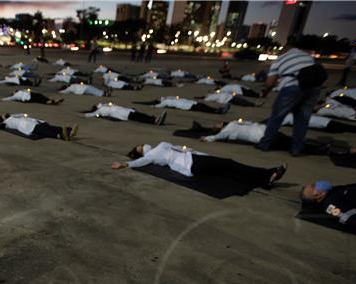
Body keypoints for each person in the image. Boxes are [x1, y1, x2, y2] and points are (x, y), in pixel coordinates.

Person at [111, 141, 287, 189]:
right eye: (138, 147)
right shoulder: (152, 154)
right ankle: (267, 174)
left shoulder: (158, 148)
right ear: (140, 151)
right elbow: (140, 162)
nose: (141, 144)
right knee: (230, 165)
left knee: (229, 172)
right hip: (193, 162)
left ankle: (264, 180)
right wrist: (125, 164)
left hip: (194, 160)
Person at [256, 43, 324, 156]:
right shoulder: (306, 56)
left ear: (284, 50)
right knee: (302, 120)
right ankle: (296, 148)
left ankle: (265, 143)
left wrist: (265, 92)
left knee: (277, 116)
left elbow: (270, 82)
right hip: (313, 88)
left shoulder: (280, 59)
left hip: (292, 87)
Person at [181, 119, 331, 156]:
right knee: (292, 143)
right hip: (267, 134)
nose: (218, 123)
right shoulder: (229, 129)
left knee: (292, 143)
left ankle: (318, 149)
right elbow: (218, 136)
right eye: (217, 124)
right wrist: (207, 138)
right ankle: (319, 149)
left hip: (266, 134)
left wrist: (208, 137)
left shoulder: (233, 124)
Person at [0, 113, 77, 141]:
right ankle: (63, 136)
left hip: (36, 122)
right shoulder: (6, 123)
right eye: (4, 116)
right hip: (30, 127)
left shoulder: (15, 115)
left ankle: (70, 131)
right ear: (2, 120)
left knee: (51, 127)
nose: (6, 115)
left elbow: (24, 114)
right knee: (47, 131)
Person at [84, 102, 166, 126]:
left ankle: (154, 119)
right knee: (140, 117)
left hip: (126, 111)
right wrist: (87, 113)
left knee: (141, 116)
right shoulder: (100, 110)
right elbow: (90, 115)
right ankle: (154, 121)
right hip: (124, 114)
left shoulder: (104, 106)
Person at [135, 95, 229, 114]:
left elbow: (170, 97)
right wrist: (154, 106)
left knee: (203, 106)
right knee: (203, 108)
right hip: (187, 106)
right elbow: (160, 105)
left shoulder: (168, 99)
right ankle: (217, 111)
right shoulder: (165, 102)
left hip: (190, 103)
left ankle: (217, 109)